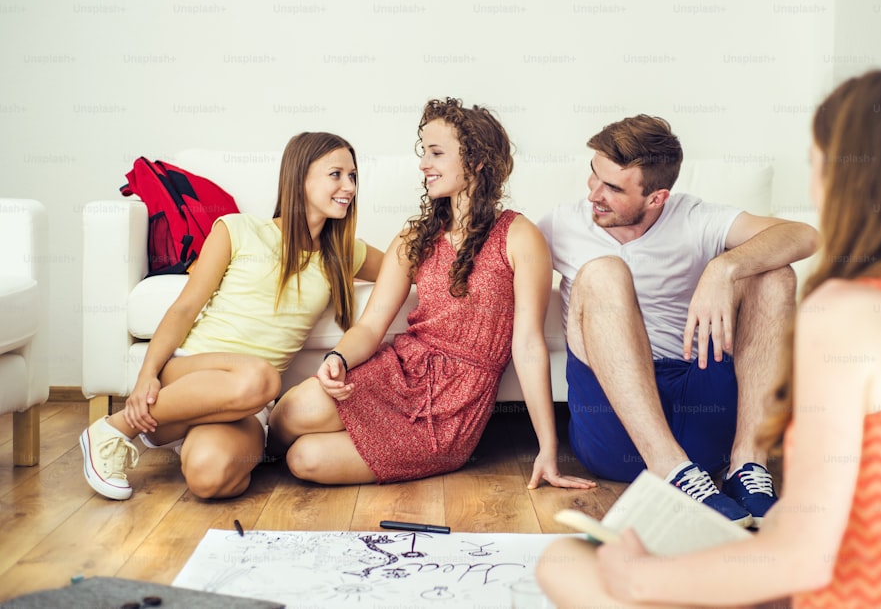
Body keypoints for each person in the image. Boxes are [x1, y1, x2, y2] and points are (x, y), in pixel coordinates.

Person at [536, 67, 881, 607]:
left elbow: (805, 556)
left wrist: (640, 578)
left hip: (846, 588)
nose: (812, 178)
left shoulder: (844, 312)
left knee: (565, 562)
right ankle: (685, 478)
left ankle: (742, 469)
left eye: (816, 160)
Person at [267, 98, 596, 491]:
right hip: (401, 371)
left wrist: (547, 449)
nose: (424, 164)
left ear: (477, 161)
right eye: (424, 152)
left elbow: (527, 344)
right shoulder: (414, 238)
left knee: (305, 459)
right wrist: (337, 358)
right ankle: (249, 452)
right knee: (290, 411)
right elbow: (371, 326)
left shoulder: (518, 235)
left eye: (437, 153)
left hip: (454, 407)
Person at [537, 115, 817, 526]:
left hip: (699, 406)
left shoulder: (694, 218)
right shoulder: (561, 225)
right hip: (616, 428)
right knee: (603, 271)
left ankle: (748, 467)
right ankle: (671, 470)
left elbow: (805, 236)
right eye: (594, 177)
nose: (594, 194)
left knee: (775, 273)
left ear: (657, 198)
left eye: (613, 188)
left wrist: (723, 269)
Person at [80, 132, 383, 500]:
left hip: (249, 404)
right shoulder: (237, 228)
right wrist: (147, 375)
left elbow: (408, 267)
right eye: (336, 174)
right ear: (299, 177)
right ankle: (113, 429)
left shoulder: (343, 252)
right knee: (260, 375)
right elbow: (184, 308)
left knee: (209, 479)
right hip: (191, 370)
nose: (348, 186)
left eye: (353, 176)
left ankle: (199, 430)